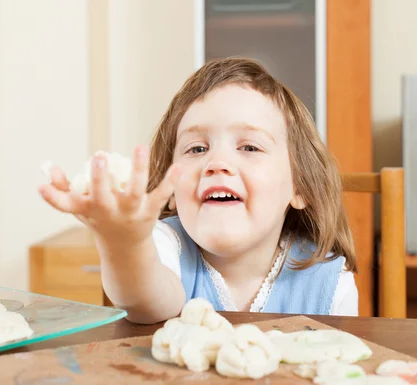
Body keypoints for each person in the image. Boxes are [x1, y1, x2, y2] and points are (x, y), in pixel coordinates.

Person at [38, 57, 358, 324]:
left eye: (249, 147)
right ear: (172, 191)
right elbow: (147, 300)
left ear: (300, 186)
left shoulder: (331, 284)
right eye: (196, 148)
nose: (216, 163)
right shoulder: (165, 246)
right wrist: (124, 243)